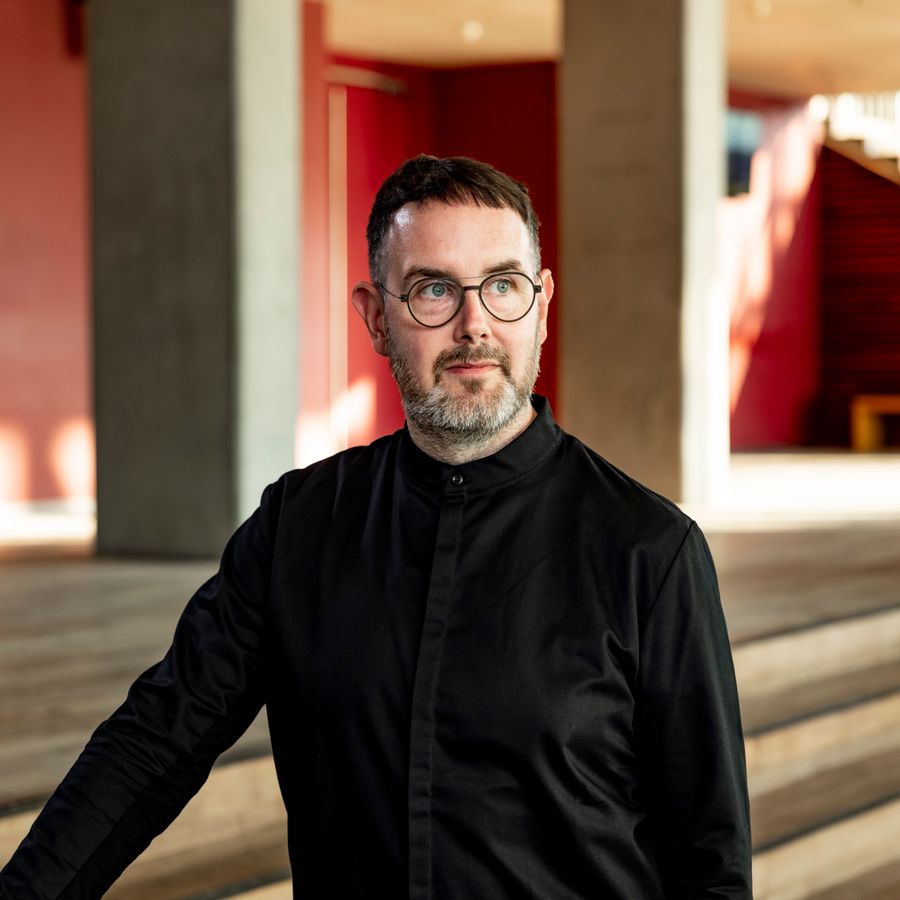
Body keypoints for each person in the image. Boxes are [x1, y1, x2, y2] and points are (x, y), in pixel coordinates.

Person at [0, 155, 751, 898]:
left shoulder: (651, 551)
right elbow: (154, 741)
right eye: (433, 290)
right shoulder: (297, 527)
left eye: (502, 286)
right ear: (376, 318)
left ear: (542, 306)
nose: (474, 325)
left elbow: (710, 863)